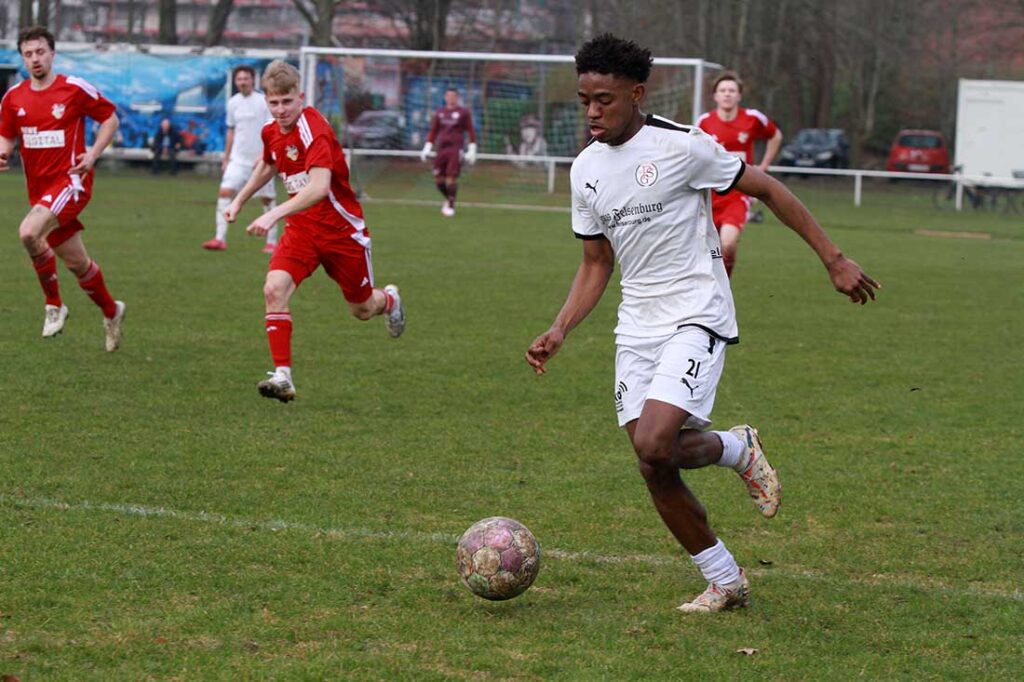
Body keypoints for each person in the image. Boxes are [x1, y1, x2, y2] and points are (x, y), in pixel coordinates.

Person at [525, 34, 880, 614]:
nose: (591, 111)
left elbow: (766, 186)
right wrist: (561, 327)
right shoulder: (584, 169)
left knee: (655, 440)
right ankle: (725, 576)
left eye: (604, 100)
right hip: (636, 325)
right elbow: (595, 262)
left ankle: (736, 449)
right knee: (652, 461)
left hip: (697, 311)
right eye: (584, 99)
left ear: (636, 93)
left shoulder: (684, 146)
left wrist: (834, 258)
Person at [223, 60, 406, 403]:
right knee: (273, 288)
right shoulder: (271, 130)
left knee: (362, 309)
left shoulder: (314, 129)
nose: (280, 110)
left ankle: (391, 299)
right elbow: (268, 163)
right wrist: (238, 200)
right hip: (302, 230)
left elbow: (320, 187)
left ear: (301, 97)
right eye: (274, 103)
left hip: (341, 233)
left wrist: (273, 213)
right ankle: (283, 376)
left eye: (287, 102)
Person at [0, 26, 126, 351]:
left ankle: (54, 304)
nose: (35, 59)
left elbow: (110, 118)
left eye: (40, 52)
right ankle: (112, 312)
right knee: (77, 264)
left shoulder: (73, 88)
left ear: (52, 53)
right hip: (41, 192)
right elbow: (7, 136)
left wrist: (93, 154)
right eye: (28, 54)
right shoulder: (13, 98)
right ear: (23, 58)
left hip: (72, 181)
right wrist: (2, 152)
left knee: (29, 232)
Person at [697, 71, 783, 277]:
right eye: (723, 90)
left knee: (727, 245)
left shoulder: (752, 119)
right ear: (715, 96)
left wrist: (763, 166)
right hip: (710, 194)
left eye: (732, 90)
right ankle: (708, 290)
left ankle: (723, 286)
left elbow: (775, 135)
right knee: (705, 251)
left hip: (738, 193)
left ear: (739, 96)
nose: (727, 94)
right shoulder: (704, 122)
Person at [204, 65, 279, 253]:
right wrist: (226, 157)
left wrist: (265, 156)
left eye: (246, 78)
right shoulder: (233, 103)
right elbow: (231, 131)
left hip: (261, 161)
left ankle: (271, 242)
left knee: (267, 199)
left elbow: (273, 130)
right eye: (239, 79)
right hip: (238, 160)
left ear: (253, 80)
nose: (243, 82)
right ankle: (220, 238)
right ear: (235, 82)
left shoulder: (263, 101)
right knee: (224, 193)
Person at [419, 87, 477, 217]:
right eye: (448, 96)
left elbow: (470, 130)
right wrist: (427, 146)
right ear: (445, 97)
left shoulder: (463, 112)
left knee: (451, 178)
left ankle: (451, 205)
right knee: (438, 179)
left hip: (455, 149)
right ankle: (449, 198)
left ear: (457, 98)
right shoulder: (440, 112)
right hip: (442, 149)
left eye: (453, 96)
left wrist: (472, 148)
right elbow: (434, 131)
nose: (451, 98)